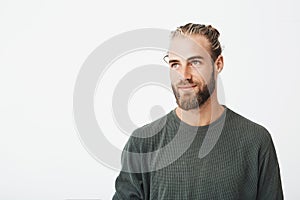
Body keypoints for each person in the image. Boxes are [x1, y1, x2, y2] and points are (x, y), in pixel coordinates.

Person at [112, 23, 283, 200]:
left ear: (218, 64)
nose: (184, 75)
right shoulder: (143, 143)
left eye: (195, 62)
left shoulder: (255, 141)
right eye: (175, 64)